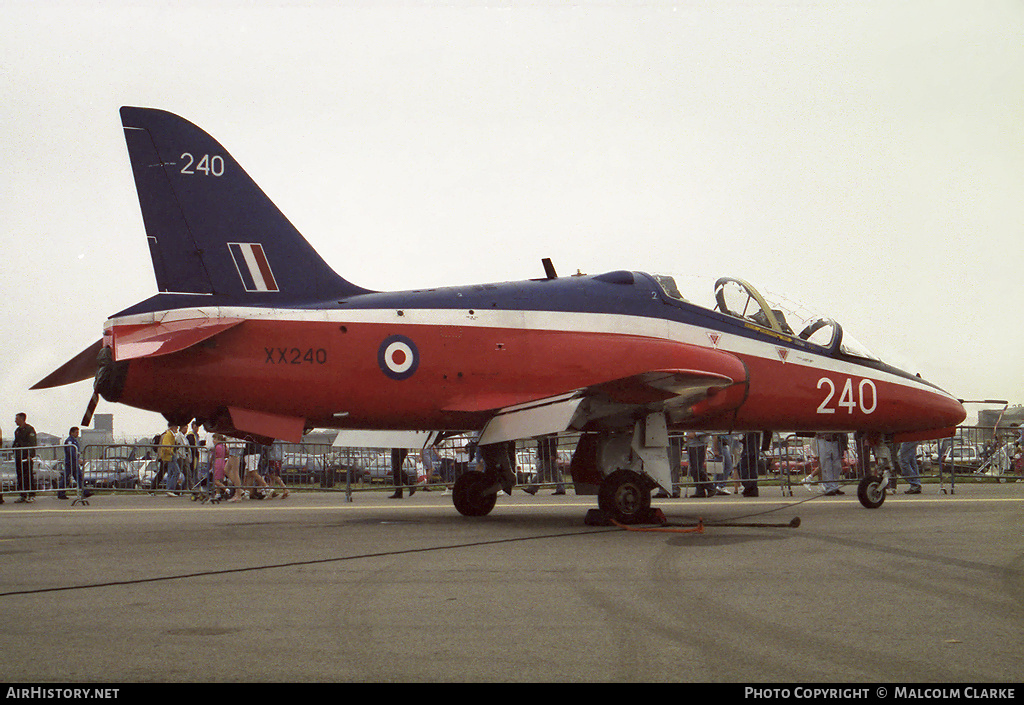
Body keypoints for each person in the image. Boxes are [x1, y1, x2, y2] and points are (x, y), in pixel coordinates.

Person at [13, 413, 37, 503]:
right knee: (20, 476)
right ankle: (22, 495)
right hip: (19, 456)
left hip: (26, 457)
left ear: (22, 419)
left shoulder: (29, 429)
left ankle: (31, 494)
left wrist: (30, 455)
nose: (15, 421)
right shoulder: (17, 431)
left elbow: (32, 443)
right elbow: (16, 442)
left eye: (17, 419)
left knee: (28, 475)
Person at [210, 434, 241, 502]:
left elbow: (212, 455)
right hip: (230, 449)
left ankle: (238, 493)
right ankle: (238, 489)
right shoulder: (224, 446)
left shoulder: (217, 446)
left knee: (235, 471)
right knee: (226, 470)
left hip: (234, 445)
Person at [57, 427, 86, 500]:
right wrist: (77, 459)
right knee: (66, 478)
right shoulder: (69, 441)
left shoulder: (74, 441)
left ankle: (85, 491)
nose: (77, 434)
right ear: (71, 432)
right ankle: (61, 493)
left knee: (78, 477)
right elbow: (71, 451)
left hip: (74, 462)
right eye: (76, 432)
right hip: (70, 462)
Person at [686, 431, 713, 498]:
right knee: (693, 470)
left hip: (700, 444)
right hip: (691, 445)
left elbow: (709, 429)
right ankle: (700, 491)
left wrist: (696, 433)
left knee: (697, 468)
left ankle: (710, 487)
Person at [738, 431, 760, 497]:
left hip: (750, 450)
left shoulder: (752, 430)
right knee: (751, 469)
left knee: (742, 467)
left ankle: (749, 487)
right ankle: (752, 488)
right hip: (752, 450)